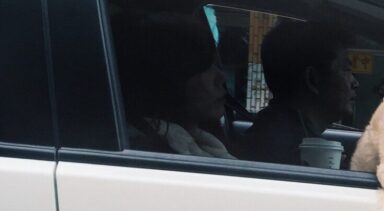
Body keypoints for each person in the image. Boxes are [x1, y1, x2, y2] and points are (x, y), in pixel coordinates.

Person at [113, 12, 234, 158]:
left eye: (216, 64)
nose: (221, 77)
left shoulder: (198, 142)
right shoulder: (147, 153)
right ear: (169, 76)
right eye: (204, 66)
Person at [241, 20, 359, 165]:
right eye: (346, 70)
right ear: (313, 80)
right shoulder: (286, 151)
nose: (355, 83)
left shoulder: (275, 132)